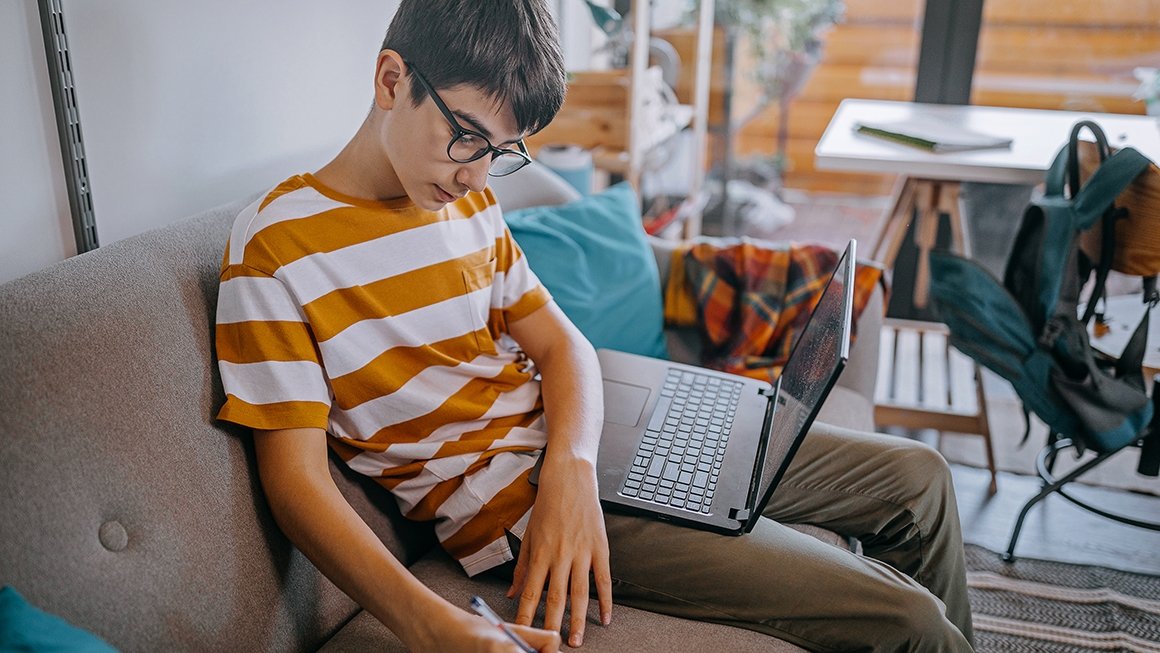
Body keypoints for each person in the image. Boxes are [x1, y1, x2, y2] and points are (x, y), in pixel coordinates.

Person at [214, 1, 975, 651]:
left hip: (596, 438)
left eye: (501, 152)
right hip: (512, 503)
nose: (478, 174)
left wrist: (571, 464)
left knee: (923, 479)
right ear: (391, 81)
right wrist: (430, 623)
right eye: (469, 137)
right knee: (909, 619)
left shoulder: (466, 204)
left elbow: (559, 342)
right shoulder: (276, 249)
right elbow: (296, 482)